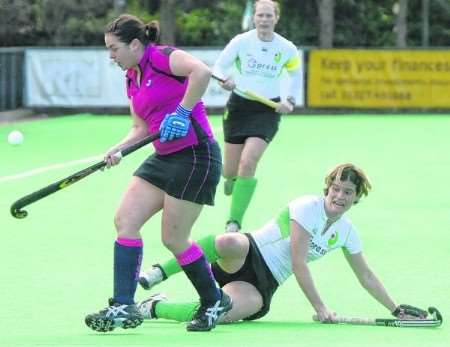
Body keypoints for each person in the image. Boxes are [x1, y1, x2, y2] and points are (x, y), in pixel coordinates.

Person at [84, 14, 232, 333]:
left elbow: (202, 72)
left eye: (114, 49)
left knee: (174, 239)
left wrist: (183, 111)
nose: (111, 56)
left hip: (195, 155)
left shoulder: (161, 57)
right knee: (126, 220)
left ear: (135, 44)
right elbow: (140, 127)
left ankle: (214, 299)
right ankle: (123, 304)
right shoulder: (131, 77)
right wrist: (118, 148)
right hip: (163, 157)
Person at [137, 163, 428, 324]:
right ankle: (160, 271)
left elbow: (366, 276)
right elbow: (299, 262)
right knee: (229, 241)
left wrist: (395, 309)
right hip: (249, 251)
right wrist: (321, 307)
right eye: (335, 189)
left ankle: (153, 308)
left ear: (357, 197)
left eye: (348, 192)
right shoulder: (306, 207)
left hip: (264, 282)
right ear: (327, 189)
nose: (339, 196)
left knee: (221, 313)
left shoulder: (348, 232)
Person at [212, 0, 302, 233]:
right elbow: (219, 68)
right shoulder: (241, 42)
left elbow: (295, 75)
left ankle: (234, 221)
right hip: (239, 107)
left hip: (267, 110)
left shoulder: (287, 48)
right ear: (254, 18)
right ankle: (231, 180)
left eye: (268, 15)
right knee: (229, 171)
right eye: (260, 15)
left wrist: (289, 100)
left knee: (249, 162)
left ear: (276, 18)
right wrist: (225, 81)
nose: (264, 20)